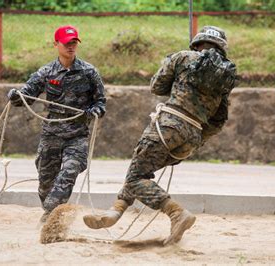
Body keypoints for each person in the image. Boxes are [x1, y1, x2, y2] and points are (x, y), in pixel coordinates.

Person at [82, 26, 237, 245]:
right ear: (221, 48)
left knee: (137, 177)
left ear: (197, 43)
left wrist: (177, 76)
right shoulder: (225, 77)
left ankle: (176, 213)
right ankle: (114, 212)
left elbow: (156, 86)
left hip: (168, 125)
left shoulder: (183, 57)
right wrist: (196, 140)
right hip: (192, 137)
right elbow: (219, 120)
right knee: (140, 170)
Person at [7, 25, 106, 223]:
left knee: (69, 172)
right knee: (46, 184)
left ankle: (50, 216)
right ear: (56, 44)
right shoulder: (46, 72)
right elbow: (26, 97)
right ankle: (52, 211)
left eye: (74, 43)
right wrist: (14, 95)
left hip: (77, 136)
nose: (71, 47)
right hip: (51, 136)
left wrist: (96, 110)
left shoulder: (89, 72)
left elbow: (100, 102)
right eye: (66, 43)